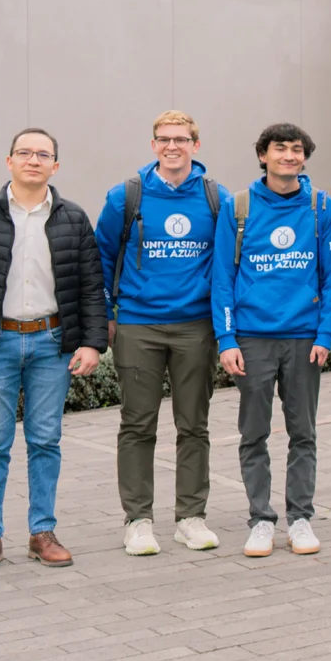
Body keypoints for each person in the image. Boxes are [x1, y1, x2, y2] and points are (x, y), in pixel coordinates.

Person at [0, 127, 104, 574]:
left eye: (43, 154)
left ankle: (42, 532)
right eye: (25, 152)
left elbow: (91, 285)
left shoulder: (73, 218)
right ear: (9, 161)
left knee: (45, 440)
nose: (34, 160)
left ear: (56, 166)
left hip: (52, 344)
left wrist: (92, 342)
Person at [96, 109, 233, 557]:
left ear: (196, 145)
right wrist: (107, 314)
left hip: (196, 327)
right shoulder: (126, 196)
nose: (172, 146)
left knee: (194, 425)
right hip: (139, 325)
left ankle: (191, 518)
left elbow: (228, 262)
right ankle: (138, 520)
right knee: (138, 424)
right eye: (164, 139)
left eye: (181, 139)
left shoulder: (216, 198)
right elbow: (100, 259)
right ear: (153, 145)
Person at [212, 123, 331, 558]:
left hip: (305, 338)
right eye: (280, 148)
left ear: (305, 157)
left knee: (303, 432)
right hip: (252, 338)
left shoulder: (321, 206)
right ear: (262, 155)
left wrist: (326, 332)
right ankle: (261, 521)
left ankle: (300, 518)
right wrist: (226, 338)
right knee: (254, 433)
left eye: (297, 149)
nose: (289, 155)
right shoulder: (239, 207)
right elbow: (222, 279)